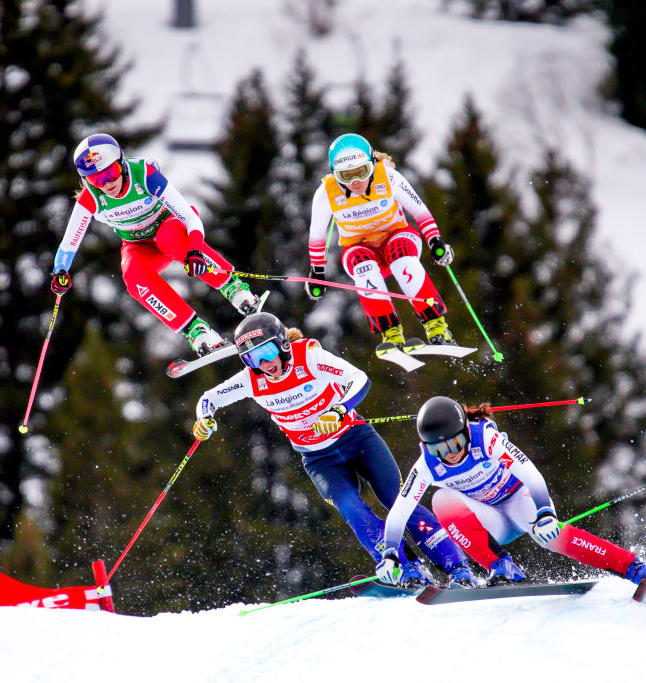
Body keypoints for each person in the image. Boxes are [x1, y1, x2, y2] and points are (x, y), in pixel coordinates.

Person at [191, 312, 476, 588]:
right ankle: (404, 567)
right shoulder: (250, 380)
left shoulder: (309, 357)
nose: (264, 364)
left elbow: (360, 379)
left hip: (358, 440)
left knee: (397, 500)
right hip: (320, 459)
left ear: (282, 344)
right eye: (252, 358)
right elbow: (208, 399)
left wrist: (339, 410)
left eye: (266, 352)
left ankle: (458, 568)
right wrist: (205, 420)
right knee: (351, 507)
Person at [376, 396, 646, 587]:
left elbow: (530, 474)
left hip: (519, 501)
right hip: (490, 520)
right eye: (439, 449)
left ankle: (634, 568)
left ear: (465, 431)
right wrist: (390, 553)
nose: (449, 454)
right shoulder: (426, 464)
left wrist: (545, 512)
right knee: (442, 500)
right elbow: (401, 510)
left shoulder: (485, 438)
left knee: (552, 538)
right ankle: (502, 567)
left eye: (454, 444)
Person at [50, 133, 263, 356]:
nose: (107, 183)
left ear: (121, 164)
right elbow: (69, 244)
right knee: (132, 276)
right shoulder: (90, 198)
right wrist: (60, 271)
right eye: (96, 180)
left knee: (168, 237)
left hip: (171, 227)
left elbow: (190, 218)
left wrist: (195, 251)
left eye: (110, 173)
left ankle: (234, 288)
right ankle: (195, 330)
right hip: (140, 244)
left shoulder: (144, 175)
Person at [305, 133, 457, 352]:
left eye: (361, 172)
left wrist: (435, 242)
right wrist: (317, 272)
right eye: (346, 176)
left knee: (401, 257)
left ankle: (436, 326)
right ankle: (391, 333)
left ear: (372, 165)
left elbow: (420, 212)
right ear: (335, 174)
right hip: (359, 247)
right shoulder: (325, 193)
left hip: (398, 237)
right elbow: (317, 236)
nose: (355, 182)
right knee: (361, 264)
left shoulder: (389, 177)